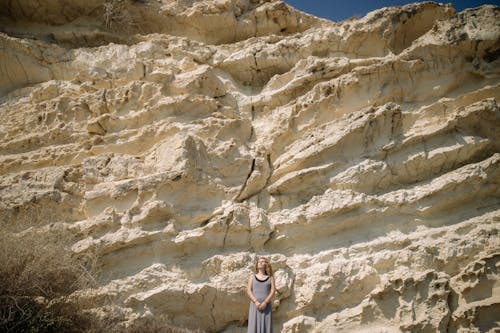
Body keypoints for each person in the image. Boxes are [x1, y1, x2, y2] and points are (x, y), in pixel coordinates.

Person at [247, 256, 276, 333]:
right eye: (259, 261)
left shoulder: (270, 278)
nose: (260, 262)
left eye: (262, 261)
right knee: (253, 327)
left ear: (266, 264)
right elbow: (249, 290)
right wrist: (256, 302)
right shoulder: (252, 277)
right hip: (254, 305)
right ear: (257, 265)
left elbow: (273, 291)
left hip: (266, 306)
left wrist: (265, 303)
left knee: (266, 326)